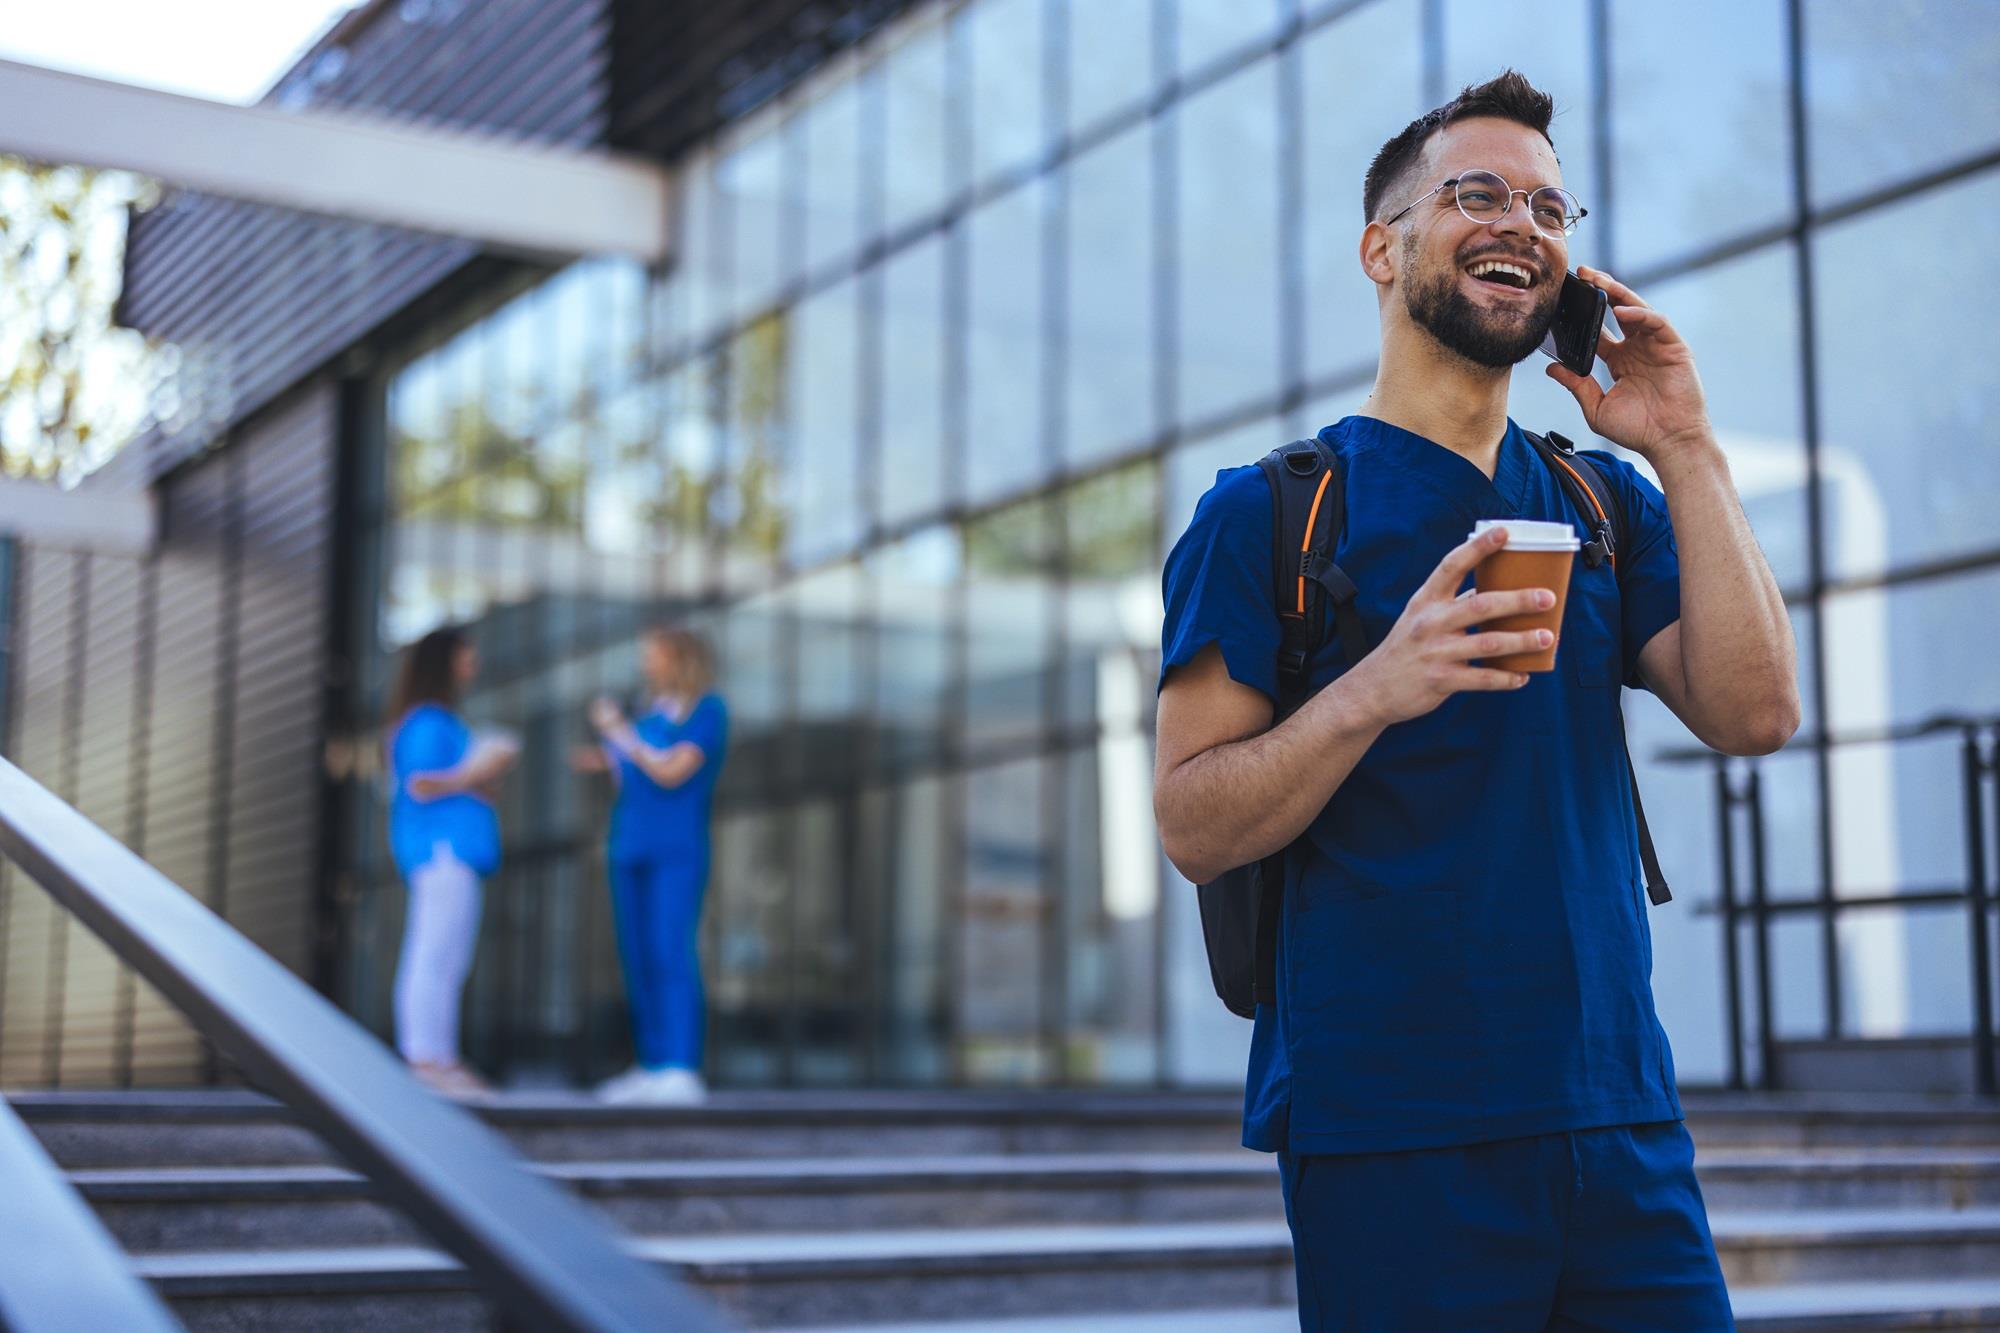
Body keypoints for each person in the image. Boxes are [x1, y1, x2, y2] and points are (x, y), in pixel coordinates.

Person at [1153, 71, 1799, 1330]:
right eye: (1478, 193)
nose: (1523, 222)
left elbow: (1755, 714)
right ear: (1379, 249)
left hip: (1617, 1112)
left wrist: (1682, 442)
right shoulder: (1270, 513)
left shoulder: (1608, 500)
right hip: (1392, 1129)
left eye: (1552, 209)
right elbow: (1191, 824)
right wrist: (1372, 690)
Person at [573, 625, 728, 1106]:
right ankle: (653, 1063)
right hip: (630, 846)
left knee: (669, 950)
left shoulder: (708, 711)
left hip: (675, 850)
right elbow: (635, 775)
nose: (645, 663)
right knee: (637, 956)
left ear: (678, 657)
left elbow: (670, 770)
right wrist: (610, 756)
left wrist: (619, 734)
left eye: (652, 654)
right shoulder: (649, 714)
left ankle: (681, 1067)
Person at [385, 625, 517, 1098]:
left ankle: (440, 1058)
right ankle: (425, 1059)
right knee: (433, 954)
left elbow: (455, 783)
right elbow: (421, 784)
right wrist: (481, 766)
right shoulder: (426, 721)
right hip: (441, 852)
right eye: (467, 654)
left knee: (449, 958)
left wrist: (483, 775)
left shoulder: (442, 721)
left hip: (456, 853)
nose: (473, 663)